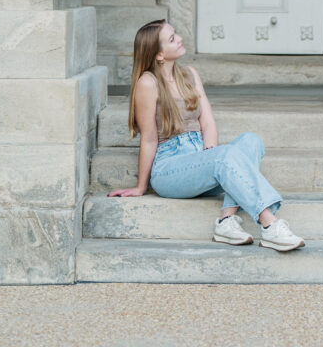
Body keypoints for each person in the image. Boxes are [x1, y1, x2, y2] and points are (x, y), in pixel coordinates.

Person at [108, 18, 305, 252]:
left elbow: (208, 121)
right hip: (169, 169)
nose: (180, 39)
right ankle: (270, 224)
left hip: (199, 159)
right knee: (225, 156)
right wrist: (141, 186)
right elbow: (149, 138)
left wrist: (211, 153)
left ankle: (227, 221)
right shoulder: (147, 83)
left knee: (251, 141)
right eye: (172, 38)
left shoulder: (189, 74)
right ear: (159, 54)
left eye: (176, 34)